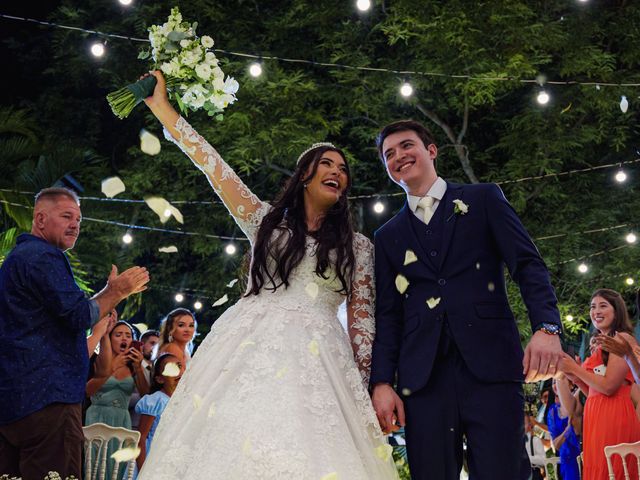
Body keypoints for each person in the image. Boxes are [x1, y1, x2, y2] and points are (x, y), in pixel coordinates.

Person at [136, 70, 398, 479]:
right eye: (326, 163)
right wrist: (163, 110)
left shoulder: (359, 247)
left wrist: (367, 389)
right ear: (305, 177)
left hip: (322, 362)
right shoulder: (264, 223)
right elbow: (212, 164)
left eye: (343, 169)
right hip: (246, 344)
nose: (337, 171)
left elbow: (363, 326)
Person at [370, 120, 564, 480]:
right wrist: (382, 382)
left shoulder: (484, 198)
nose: (398, 156)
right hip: (423, 379)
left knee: (503, 472)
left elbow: (527, 264)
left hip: (491, 366)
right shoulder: (387, 236)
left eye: (406, 146)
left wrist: (547, 327)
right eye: (389, 155)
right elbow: (389, 314)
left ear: (431, 150)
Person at [0, 187, 150, 479]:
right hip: (47, 400)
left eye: (79, 220)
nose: (75, 225)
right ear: (40, 219)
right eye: (67, 216)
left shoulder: (17, 259)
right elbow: (78, 314)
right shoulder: (44, 256)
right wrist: (116, 291)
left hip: (13, 401)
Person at [559, 288, 640, 480]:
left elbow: (609, 387)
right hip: (595, 415)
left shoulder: (622, 339)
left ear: (617, 311)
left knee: (613, 470)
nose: (596, 311)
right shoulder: (599, 344)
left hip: (615, 415)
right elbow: (594, 391)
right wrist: (575, 376)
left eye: (603, 306)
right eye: (593, 307)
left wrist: (576, 369)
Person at [86, 319, 149, 479]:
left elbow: (145, 395)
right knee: (93, 466)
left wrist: (139, 367)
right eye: (118, 334)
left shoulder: (133, 365)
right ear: (109, 337)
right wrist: (112, 366)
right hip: (97, 417)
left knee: (117, 468)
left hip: (122, 419)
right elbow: (87, 391)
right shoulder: (97, 360)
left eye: (128, 335)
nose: (124, 339)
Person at [135, 353, 183, 470]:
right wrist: (143, 471)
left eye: (179, 366)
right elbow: (141, 438)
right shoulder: (156, 401)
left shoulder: (182, 400)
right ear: (160, 379)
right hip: (152, 455)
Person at [546, 378, 581, 480]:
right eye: (553, 382)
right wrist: (567, 431)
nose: (555, 385)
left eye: (560, 380)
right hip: (567, 460)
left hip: (581, 454)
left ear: (571, 384)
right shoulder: (552, 411)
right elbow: (556, 444)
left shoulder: (578, 404)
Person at [155, 308, 197, 373]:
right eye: (181, 325)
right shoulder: (172, 348)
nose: (187, 330)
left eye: (191, 325)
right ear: (170, 329)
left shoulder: (185, 351)